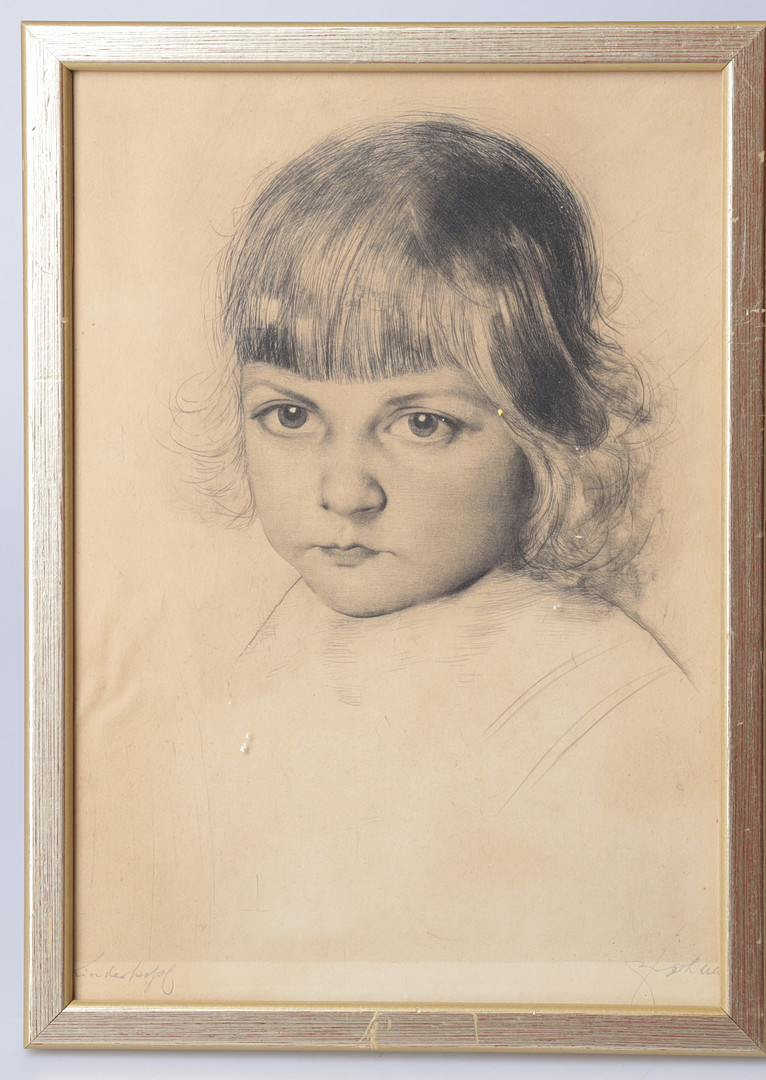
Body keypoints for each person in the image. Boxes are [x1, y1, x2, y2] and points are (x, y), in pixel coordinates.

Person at [178, 116, 719, 992]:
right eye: (291, 415)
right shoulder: (275, 643)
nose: (345, 491)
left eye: (422, 423)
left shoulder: (602, 693)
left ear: (546, 429)